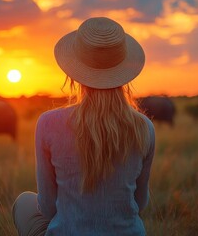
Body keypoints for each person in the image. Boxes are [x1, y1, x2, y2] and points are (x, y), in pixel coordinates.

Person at [12, 17, 155, 236]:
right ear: (124, 72)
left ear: (74, 74)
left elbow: (49, 208)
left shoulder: (48, 123)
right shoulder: (144, 127)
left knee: (24, 203)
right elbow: (140, 202)